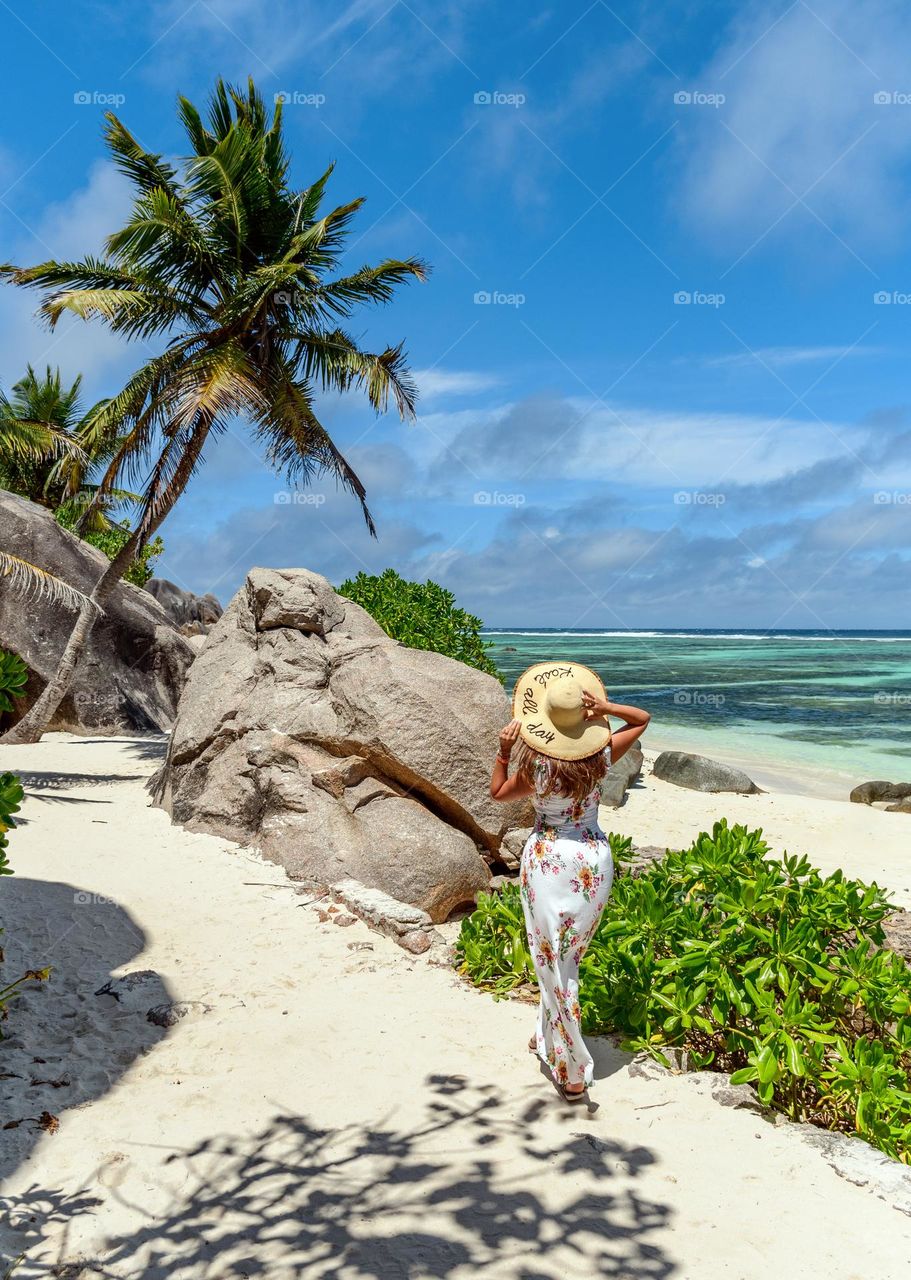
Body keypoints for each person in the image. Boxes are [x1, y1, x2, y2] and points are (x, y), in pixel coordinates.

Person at [489, 662, 650, 1101]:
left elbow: (498, 793)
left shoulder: (538, 772)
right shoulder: (601, 757)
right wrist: (607, 707)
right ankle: (547, 1033)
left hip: (548, 860)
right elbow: (642, 719)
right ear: (584, 723)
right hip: (593, 860)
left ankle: (572, 1068)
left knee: (550, 955)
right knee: (565, 955)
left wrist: (504, 752)